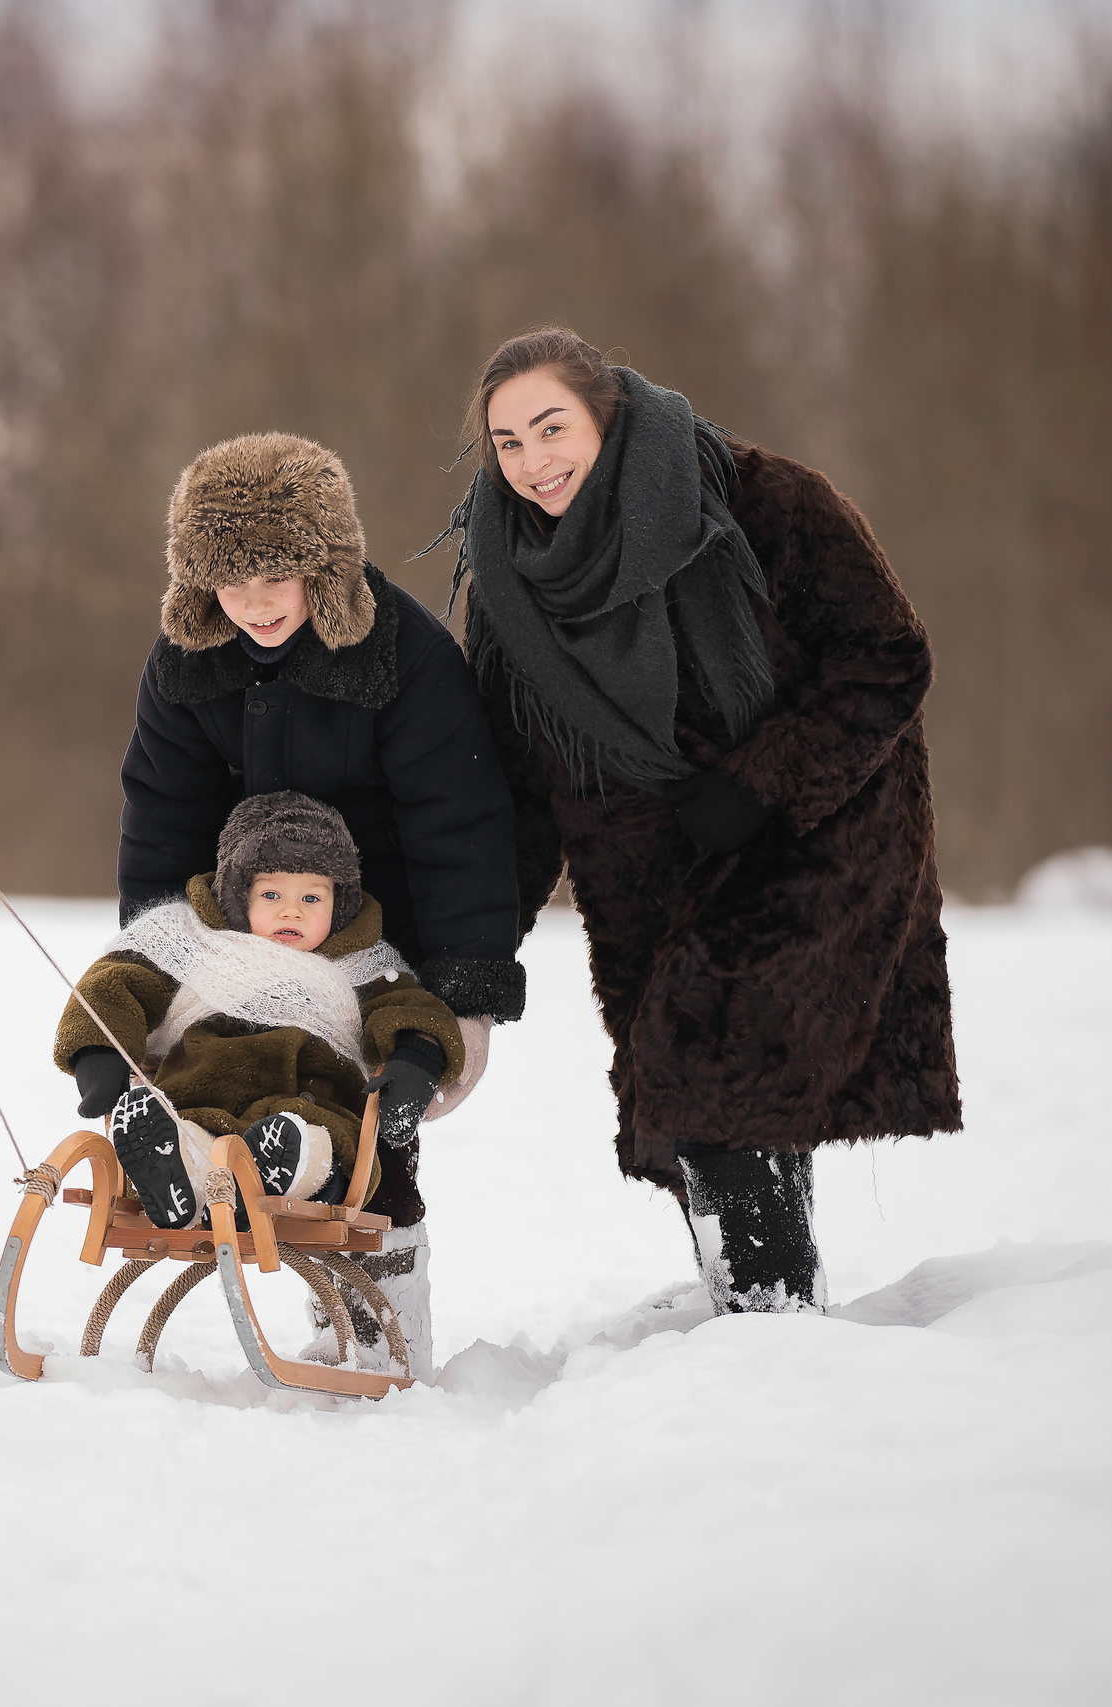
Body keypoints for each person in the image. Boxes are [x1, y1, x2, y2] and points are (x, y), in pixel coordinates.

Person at [450, 327, 960, 1313]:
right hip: (649, 877)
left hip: (820, 834)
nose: (532, 462)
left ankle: (766, 1333)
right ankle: (765, 1325)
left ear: (605, 414)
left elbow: (888, 654)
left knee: (709, 1067)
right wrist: (470, 962)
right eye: (507, 444)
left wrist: (759, 784)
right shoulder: (510, 585)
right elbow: (516, 790)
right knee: (695, 1100)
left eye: (550, 428)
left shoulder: (760, 500)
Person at [117, 433, 519, 1362]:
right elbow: (162, 815)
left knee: (375, 1141)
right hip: (245, 931)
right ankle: (187, 1157)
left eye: (276, 580)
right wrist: (152, 960)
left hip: (385, 930)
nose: (253, 607)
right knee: (227, 1073)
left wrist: (460, 1001)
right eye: (229, 583)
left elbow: (458, 824)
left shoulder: (401, 657)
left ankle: (383, 1332)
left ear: (324, 569)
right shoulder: (187, 660)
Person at [58, 792, 462, 1368]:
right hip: (199, 1102)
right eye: (271, 895)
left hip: (310, 1107)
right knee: (187, 1135)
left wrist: (415, 1062)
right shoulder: (189, 942)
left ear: (340, 903)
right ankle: (173, 1174)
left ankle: (278, 1168)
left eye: (311, 897)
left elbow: (415, 1012)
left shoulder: (367, 965)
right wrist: (96, 1051)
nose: (290, 911)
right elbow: (115, 981)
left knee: (312, 1138)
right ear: (236, 895)